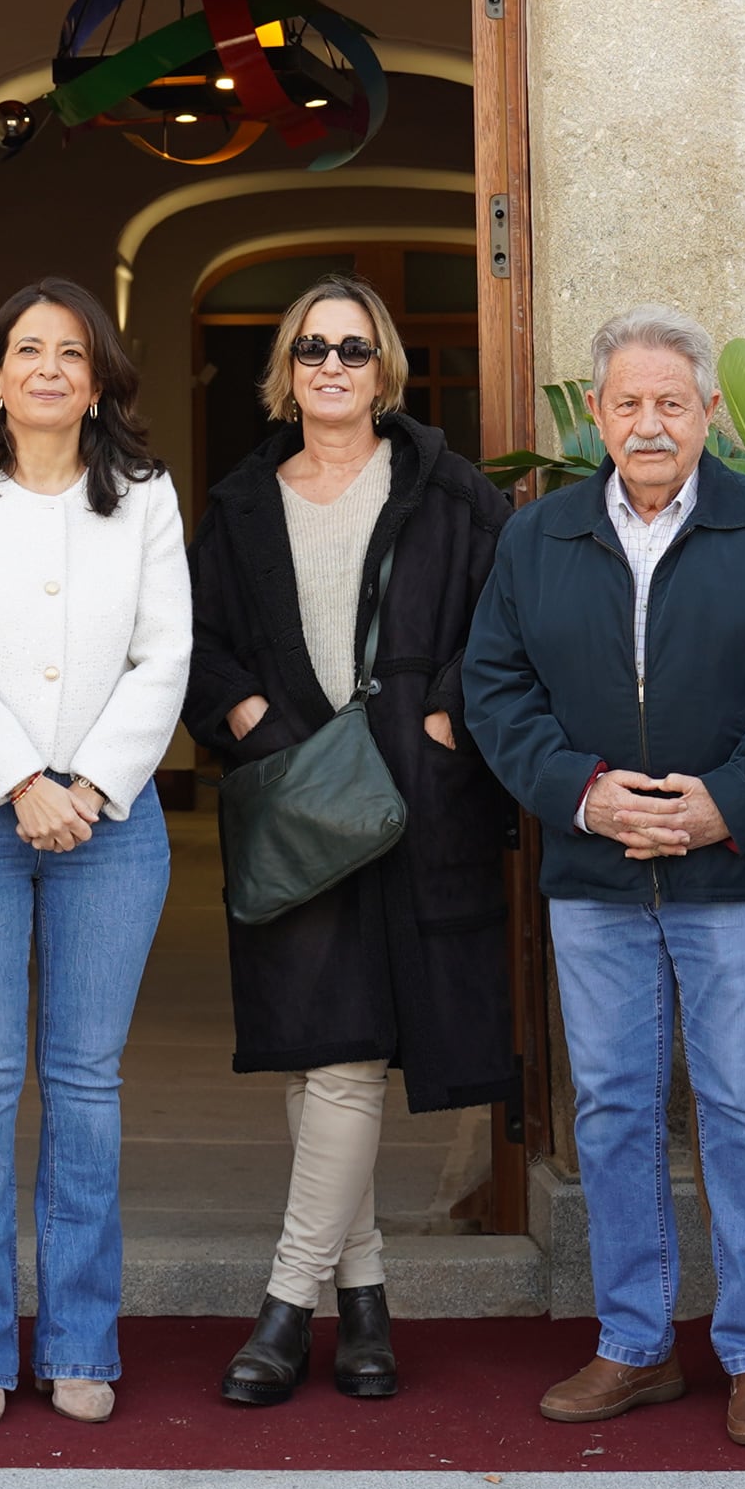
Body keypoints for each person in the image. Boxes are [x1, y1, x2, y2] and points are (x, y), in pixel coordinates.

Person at [467, 302, 745, 1447]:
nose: (647, 423)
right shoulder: (538, 538)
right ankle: (634, 1345)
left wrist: (721, 801)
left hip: (735, 870)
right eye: (625, 404)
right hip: (595, 873)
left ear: (709, 414)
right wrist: (585, 792)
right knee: (618, 1109)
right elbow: (497, 690)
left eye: (670, 403)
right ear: (594, 413)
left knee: (741, 1108)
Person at [185, 273, 518, 1408]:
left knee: (346, 1058)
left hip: (418, 811)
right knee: (320, 1050)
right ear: (286, 368)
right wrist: (250, 724)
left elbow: (504, 625)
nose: (333, 367)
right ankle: (364, 1300)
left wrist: (442, 722)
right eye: (314, 349)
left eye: (355, 349)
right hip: (297, 805)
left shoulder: (452, 493)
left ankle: (288, 1310)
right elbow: (201, 643)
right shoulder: (237, 505)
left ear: (386, 369)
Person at [0, 277, 193, 1427]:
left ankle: (79, 1341)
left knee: (86, 1085)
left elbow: (165, 657)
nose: (51, 369)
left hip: (112, 821)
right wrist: (23, 782)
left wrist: (88, 785)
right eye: (29, 350)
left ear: (101, 378)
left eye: (73, 352)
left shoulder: (148, 499)